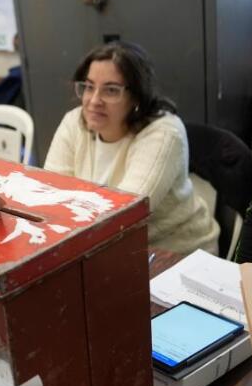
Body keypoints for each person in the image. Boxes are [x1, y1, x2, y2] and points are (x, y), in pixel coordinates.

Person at [44, 41, 219, 255]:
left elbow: (123, 216)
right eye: (89, 87)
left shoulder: (164, 133)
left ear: (136, 96)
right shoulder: (74, 122)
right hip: (104, 246)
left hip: (174, 252)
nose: (94, 101)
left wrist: (71, 206)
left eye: (110, 90)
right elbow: (50, 192)